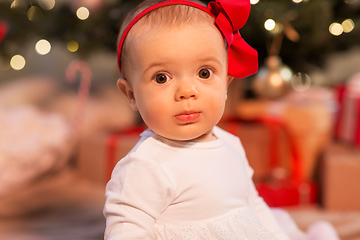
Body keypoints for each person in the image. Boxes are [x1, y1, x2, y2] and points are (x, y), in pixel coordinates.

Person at [103, 0, 340, 239]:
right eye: (162, 78)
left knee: (276, 221)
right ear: (132, 95)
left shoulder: (231, 144)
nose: (186, 91)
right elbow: (125, 232)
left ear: (226, 83)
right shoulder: (146, 166)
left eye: (204, 73)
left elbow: (252, 203)